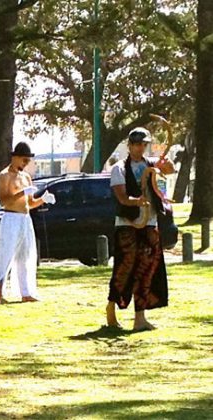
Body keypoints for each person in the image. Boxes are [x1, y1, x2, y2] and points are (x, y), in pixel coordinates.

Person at [106, 127, 175, 330]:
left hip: (149, 224)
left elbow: (169, 170)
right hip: (128, 225)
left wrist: (166, 164)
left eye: (143, 144)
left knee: (146, 269)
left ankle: (140, 318)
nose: (139, 148)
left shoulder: (150, 164)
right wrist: (138, 202)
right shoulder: (119, 168)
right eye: (136, 144)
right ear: (130, 146)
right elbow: (121, 197)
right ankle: (112, 306)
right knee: (124, 268)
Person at [0, 142, 55, 304]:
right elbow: (3, 201)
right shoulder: (4, 175)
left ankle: (26, 292)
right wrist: (21, 193)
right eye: (24, 160)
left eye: (28, 161)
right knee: (5, 254)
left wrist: (43, 199)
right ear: (15, 157)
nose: (25, 164)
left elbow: (29, 203)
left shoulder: (26, 177)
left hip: (25, 218)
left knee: (26, 255)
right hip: (10, 218)